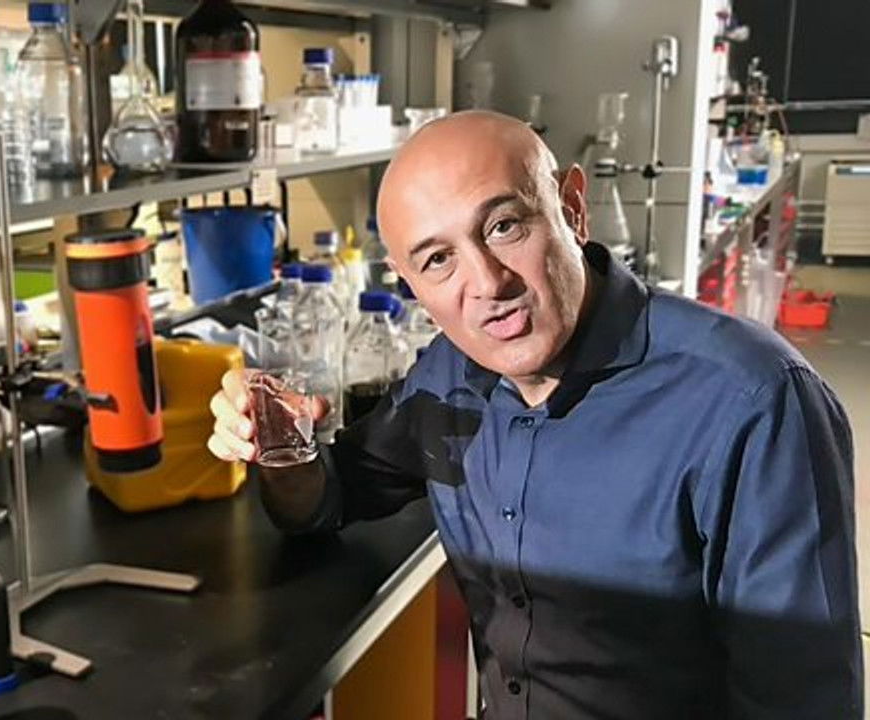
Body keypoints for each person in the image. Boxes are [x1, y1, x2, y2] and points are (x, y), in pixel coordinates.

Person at [207, 111, 861, 718]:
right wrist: (277, 439)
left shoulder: (750, 401)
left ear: (572, 207)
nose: (488, 284)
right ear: (411, 286)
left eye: (504, 227)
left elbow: (802, 700)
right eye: (438, 260)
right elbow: (326, 498)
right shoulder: (450, 376)